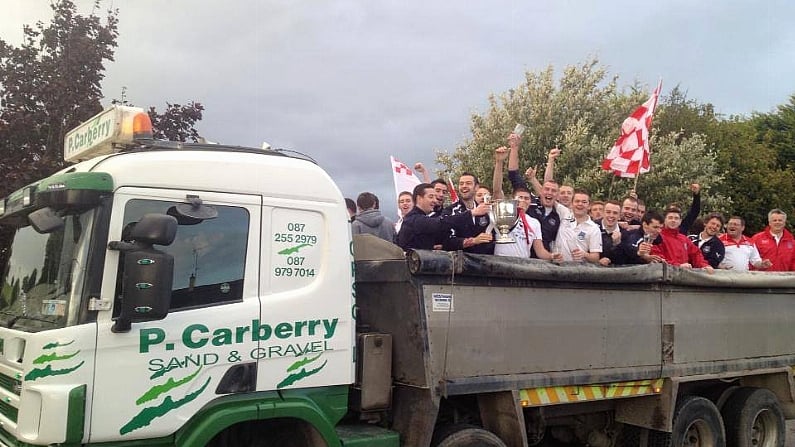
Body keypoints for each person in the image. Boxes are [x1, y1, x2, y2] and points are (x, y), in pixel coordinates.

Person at [506, 136, 570, 251]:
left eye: (553, 191)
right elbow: (513, 174)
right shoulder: (528, 202)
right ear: (541, 191)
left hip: (543, 264)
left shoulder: (559, 215)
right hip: (521, 259)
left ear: (557, 195)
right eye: (546, 189)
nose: (549, 192)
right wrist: (514, 148)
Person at [491, 146, 553, 260]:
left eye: (526, 198)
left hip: (522, 268)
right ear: (513, 199)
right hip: (500, 266)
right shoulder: (503, 213)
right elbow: (496, 191)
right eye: (520, 197)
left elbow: (540, 252)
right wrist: (499, 162)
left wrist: (552, 256)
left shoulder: (534, 223)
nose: (523, 201)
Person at [397, 183, 491, 251]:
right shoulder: (414, 219)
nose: (435, 200)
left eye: (435, 197)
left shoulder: (423, 219)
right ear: (419, 198)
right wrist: (472, 213)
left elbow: (446, 240)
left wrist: (473, 241)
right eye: (430, 197)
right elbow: (442, 223)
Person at [442, 173, 494, 254]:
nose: (464, 186)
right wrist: (473, 241)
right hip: (461, 264)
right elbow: (447, 241)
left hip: (485, 262)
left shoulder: (486, 211)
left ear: (476, 187)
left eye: (468, 183)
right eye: (461, 183)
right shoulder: (451, 211)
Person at [651, 205, 713, 272]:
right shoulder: (657, 237)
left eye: (676, 218)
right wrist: (678, 266)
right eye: (670, 218)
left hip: (684, 277)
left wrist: (704, 265)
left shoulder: (684, 239)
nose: (673, 220)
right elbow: (658, 258)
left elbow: (696, 254)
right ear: (664, 220)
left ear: (680, 221)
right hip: (665, 276)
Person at [551, 189, 602, 264]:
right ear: (571, 204)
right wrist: (532, 179)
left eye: (584, 202)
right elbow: (548, 195)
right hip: (556, 266)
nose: (580, 204)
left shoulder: (594, 228)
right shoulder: (564, 214)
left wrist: (585, 254)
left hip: (577, 271)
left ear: (589, 206)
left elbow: (595, 257)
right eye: (577, 201)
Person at [596, 200, 624, 266]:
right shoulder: (593, 227)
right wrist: (597, 261)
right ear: (603, 213)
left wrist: (617, 244)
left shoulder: (624, 233)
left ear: (620, 216)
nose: (611, 215)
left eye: (615, 213)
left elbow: (623, 261)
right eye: (608, 212)